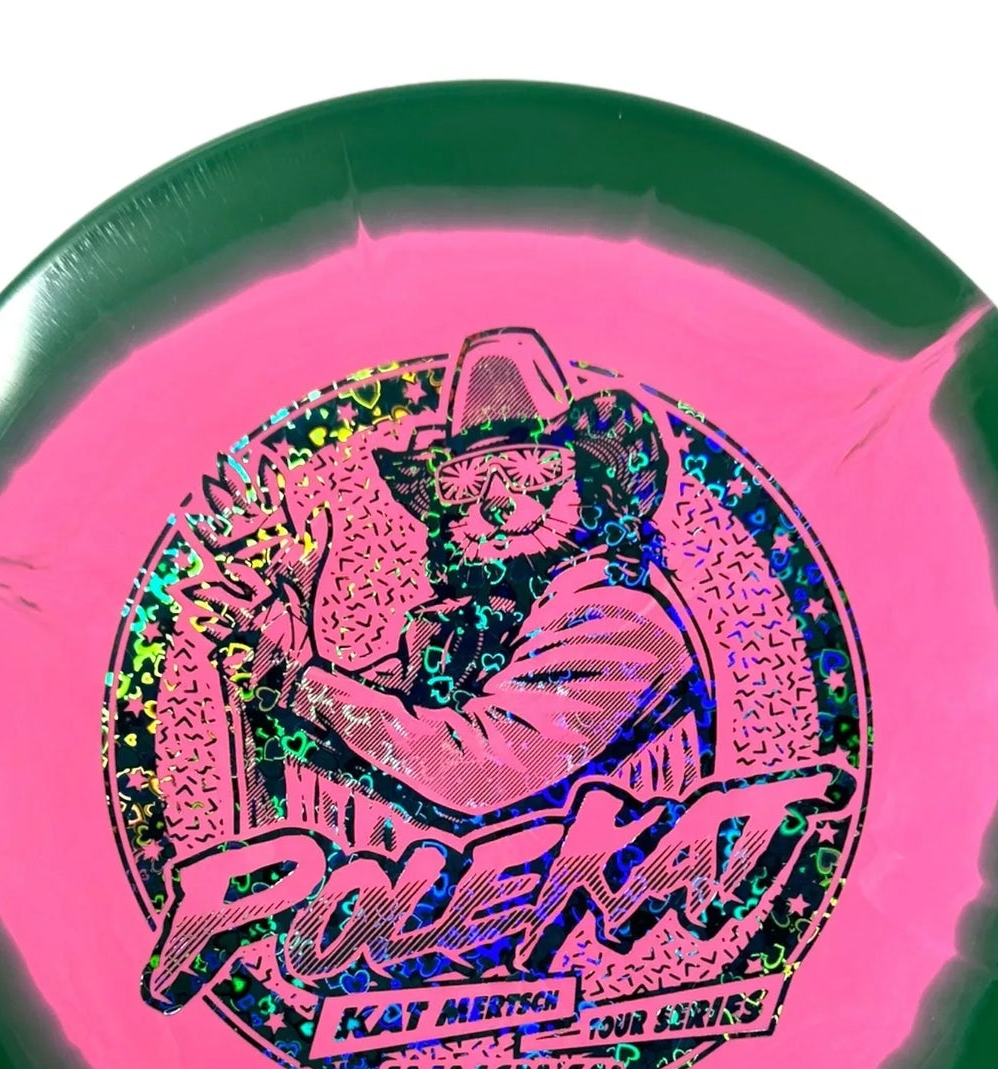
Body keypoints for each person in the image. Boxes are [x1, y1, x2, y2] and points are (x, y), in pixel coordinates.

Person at [225, 328, 717, 847]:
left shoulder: (622, 613)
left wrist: (298, 683)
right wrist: (270, 663)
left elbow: (480, 769)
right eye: (464, 479)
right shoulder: (463, 629)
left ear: (591, 479)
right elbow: (344, 757)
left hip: (617, 890)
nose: (496, 503)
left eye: (532, 469)